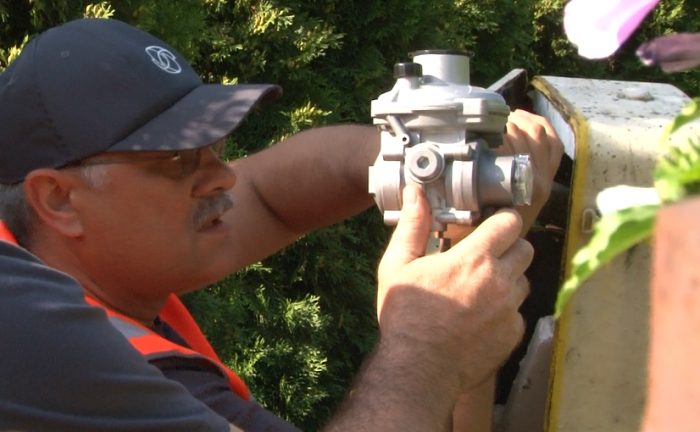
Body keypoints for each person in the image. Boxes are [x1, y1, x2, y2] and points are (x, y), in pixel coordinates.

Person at [0, 18, 563, 432]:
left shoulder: (66, 256)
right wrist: (427, 348)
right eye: (176, 160)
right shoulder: (63, 361)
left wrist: (425, 162)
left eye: (216, 148)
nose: (221, 178)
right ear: (58, 200)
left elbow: (272, 194)